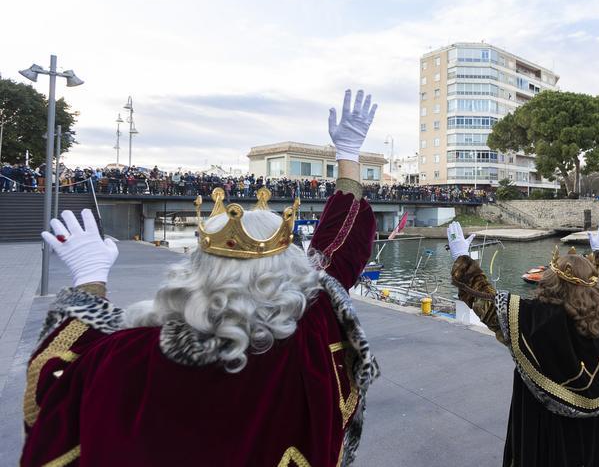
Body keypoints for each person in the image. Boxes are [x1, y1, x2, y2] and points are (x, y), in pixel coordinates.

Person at [21, 89, 381, 467]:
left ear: (198, 269)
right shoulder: (313, 333)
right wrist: (349, 155)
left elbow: (57, 383)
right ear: (291, 271)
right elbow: (340, 250)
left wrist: (89, 281)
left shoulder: (128, 356)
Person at [448, 222, 599, 466]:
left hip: (549, 434)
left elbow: (487, 303)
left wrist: (463, 261)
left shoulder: (534, 320)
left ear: (551, 280)